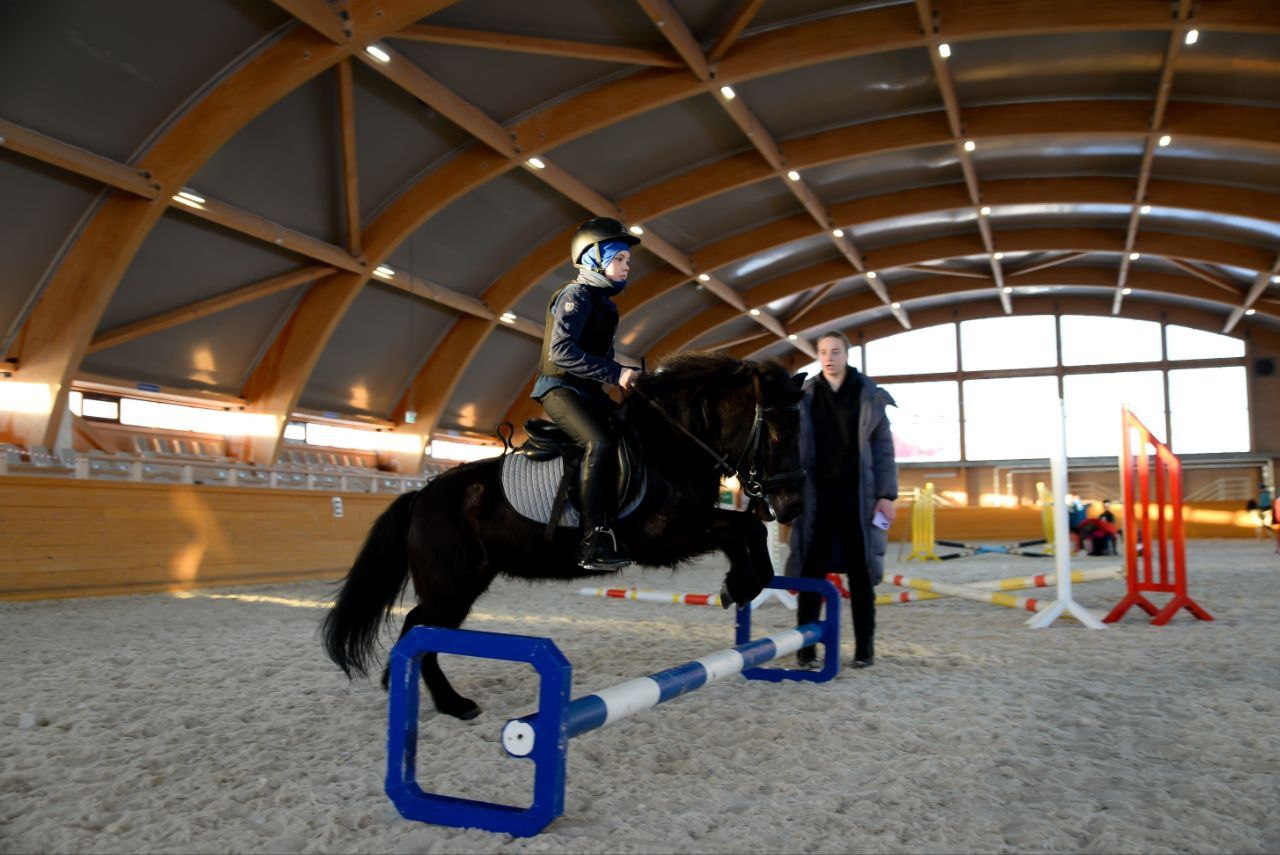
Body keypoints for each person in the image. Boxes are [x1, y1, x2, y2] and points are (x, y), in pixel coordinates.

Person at [531, 217, 641, 570]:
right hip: (560, 389)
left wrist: (631, 377)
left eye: (627, 260)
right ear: (594, 258)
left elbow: (600, 360)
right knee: (601, 444)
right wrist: (616, 373)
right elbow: (561, 352)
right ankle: (593, 538)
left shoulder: (606, 305)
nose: (627, 266)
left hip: (588, 393)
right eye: (620, 258)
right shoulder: (575, 295)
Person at [787, 330, 897, 670]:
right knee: (810, 574)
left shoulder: (868, 395)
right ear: (818, 356)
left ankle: (864, 650)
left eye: (835, 351)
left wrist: (886, 494)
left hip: (858, 500)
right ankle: (806, 651)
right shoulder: (804, 395)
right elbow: (789, 448)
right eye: (823, 352)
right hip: (816, 500)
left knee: (861, 576)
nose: (829, 357)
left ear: (847, 354)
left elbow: (883, 450)